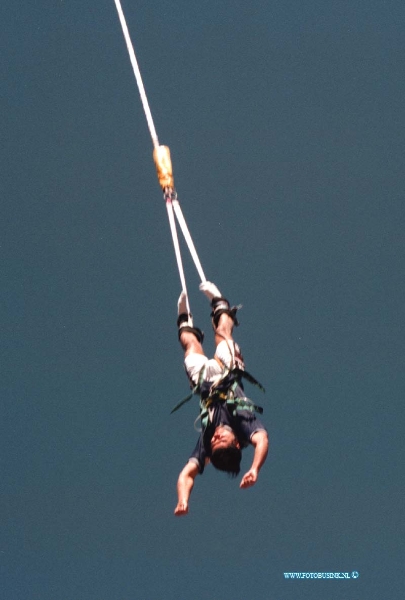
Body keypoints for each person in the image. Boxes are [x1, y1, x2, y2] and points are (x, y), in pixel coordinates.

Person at [174, 281, 269, 517]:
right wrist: (255, 469)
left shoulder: (207, 444)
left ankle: (184, 319)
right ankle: (220, 304)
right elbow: (262, 439)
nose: (215, 436)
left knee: (189, 344)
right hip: (228, 374)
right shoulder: (244, 425)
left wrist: (183, 500)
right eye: (221, 439)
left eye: (214, 441)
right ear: (237, 442)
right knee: (222, 334)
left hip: (204, 383)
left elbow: (187, 474)